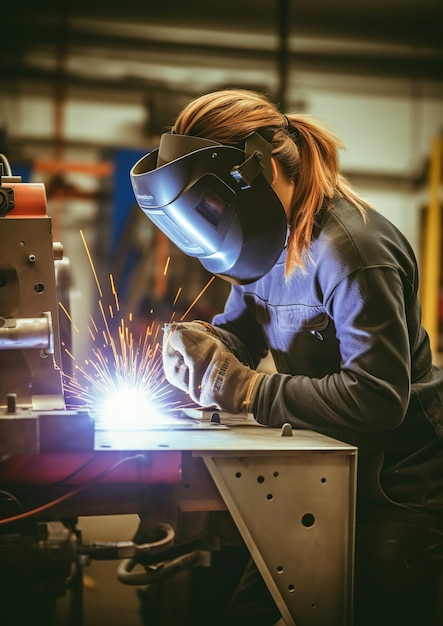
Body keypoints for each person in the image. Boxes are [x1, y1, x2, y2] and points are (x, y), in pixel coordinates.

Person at [131, 89, 443, 626]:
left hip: (397, 492)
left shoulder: (352, 252)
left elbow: (378, 398)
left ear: (263, 171)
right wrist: (206, 347)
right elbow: (241, 333)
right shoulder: (265, 238)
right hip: (322, 473)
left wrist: (250, 391)